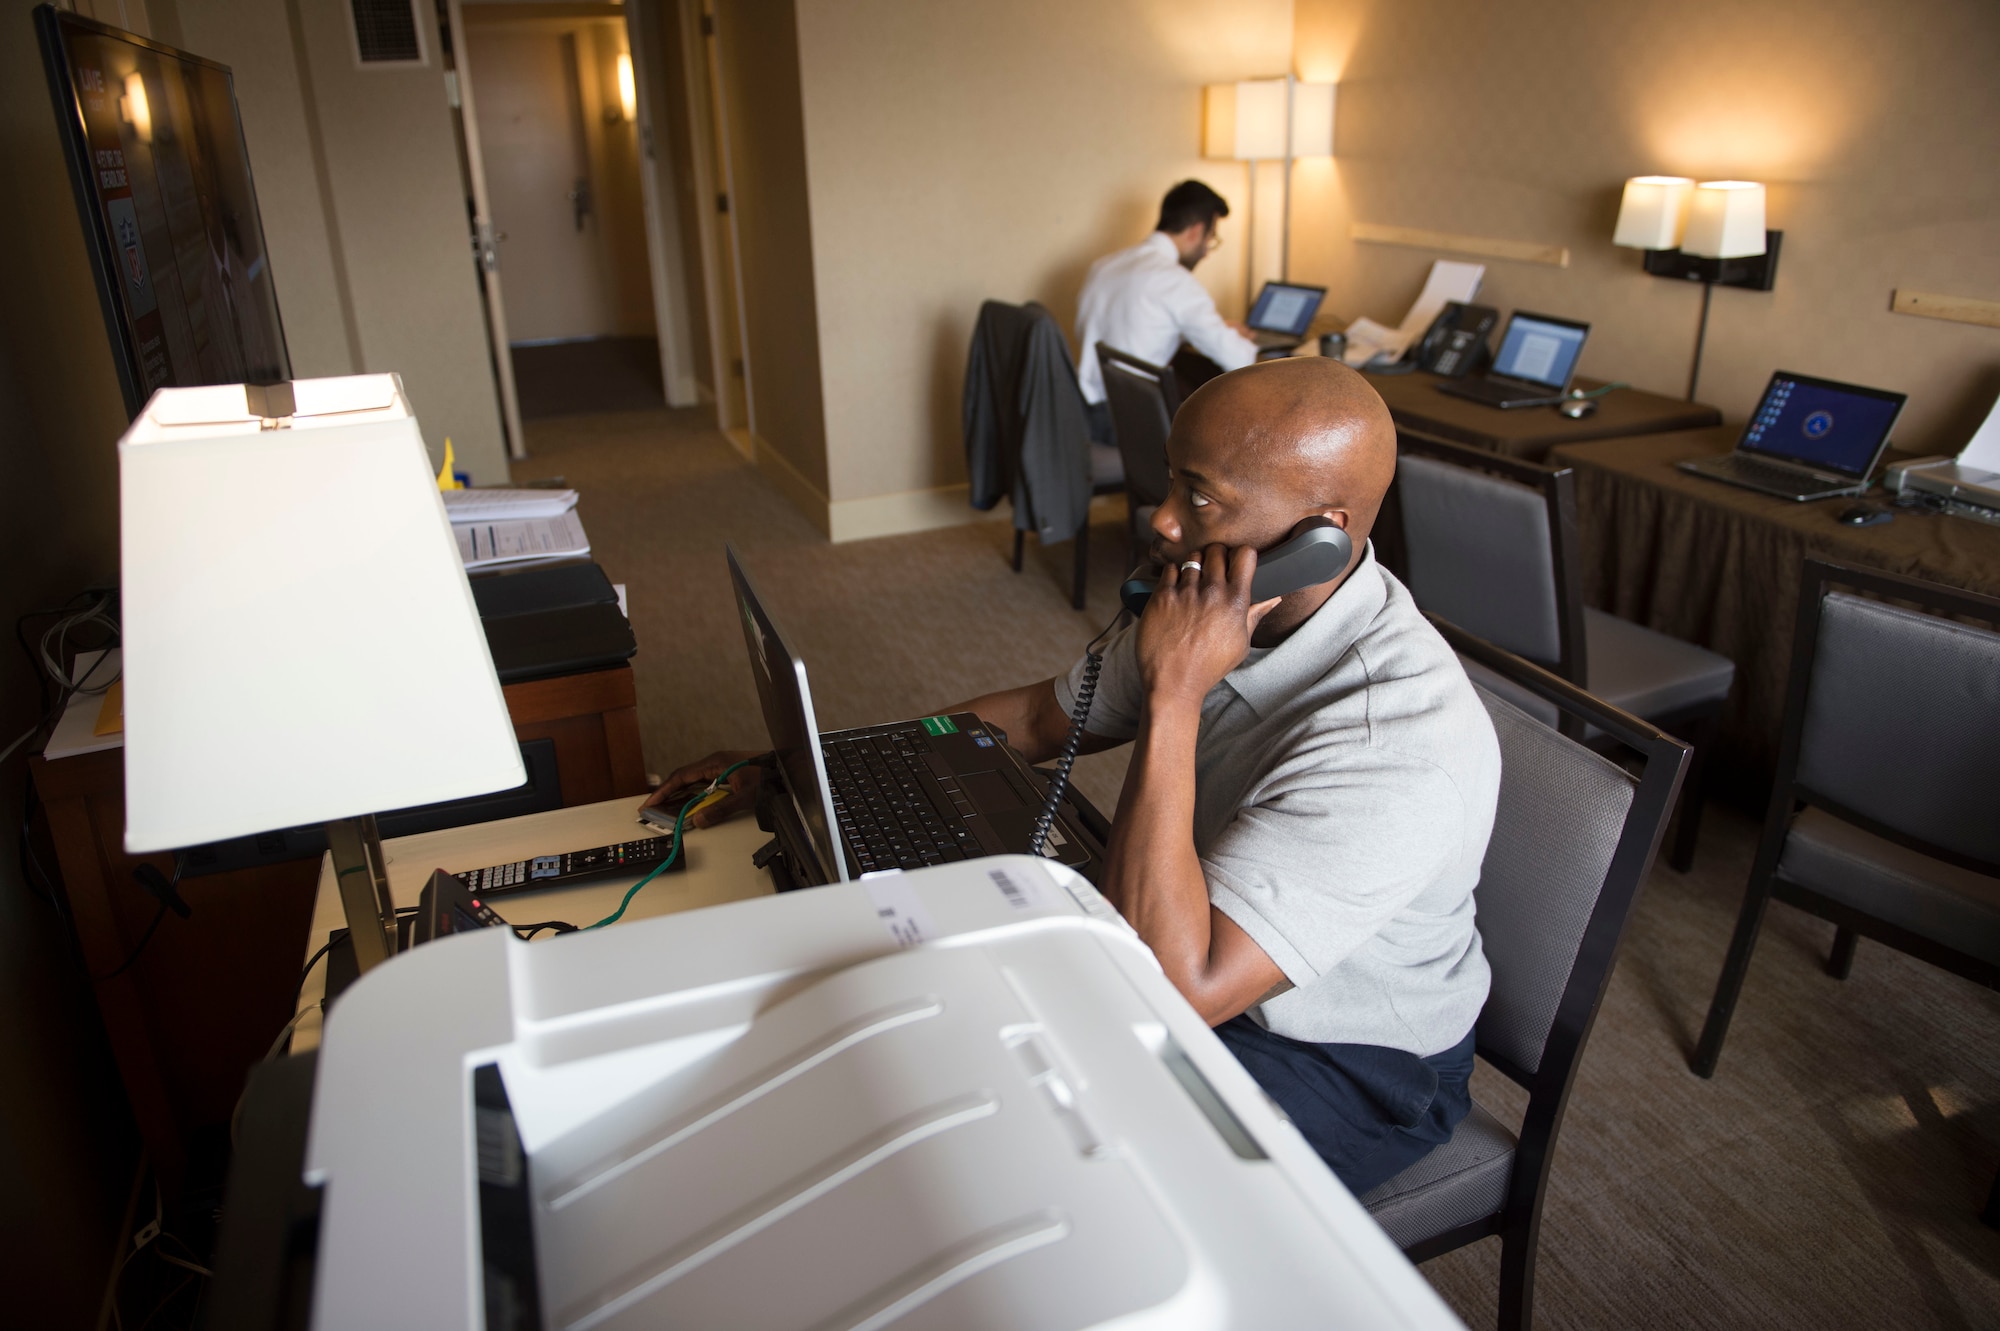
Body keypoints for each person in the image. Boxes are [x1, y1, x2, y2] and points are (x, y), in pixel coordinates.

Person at [652, 358, 1500, 1194]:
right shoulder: (1211, 599)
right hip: (1188, 935)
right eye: (1170, 481)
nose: (1163, 521)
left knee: (1018, 1154)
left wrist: (1177, 687)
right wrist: (807, 764)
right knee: (911, 1010)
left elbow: (1177, 984)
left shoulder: (1394, 738)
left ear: (1322, 534)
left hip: (1342, 1056)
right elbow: (1035, 720)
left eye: (1199, 498)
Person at [1073, 180, 1260, 445]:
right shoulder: (1175, 281)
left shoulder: (1104, 266)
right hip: (1127, 424)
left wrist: (1217, 328)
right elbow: (1240, 359)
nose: (1207, 251)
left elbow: (1137, 326)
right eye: (1211, 238)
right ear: (1196, 231)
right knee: (1226, 429)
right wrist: (1242, 340)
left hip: (1084, 411)